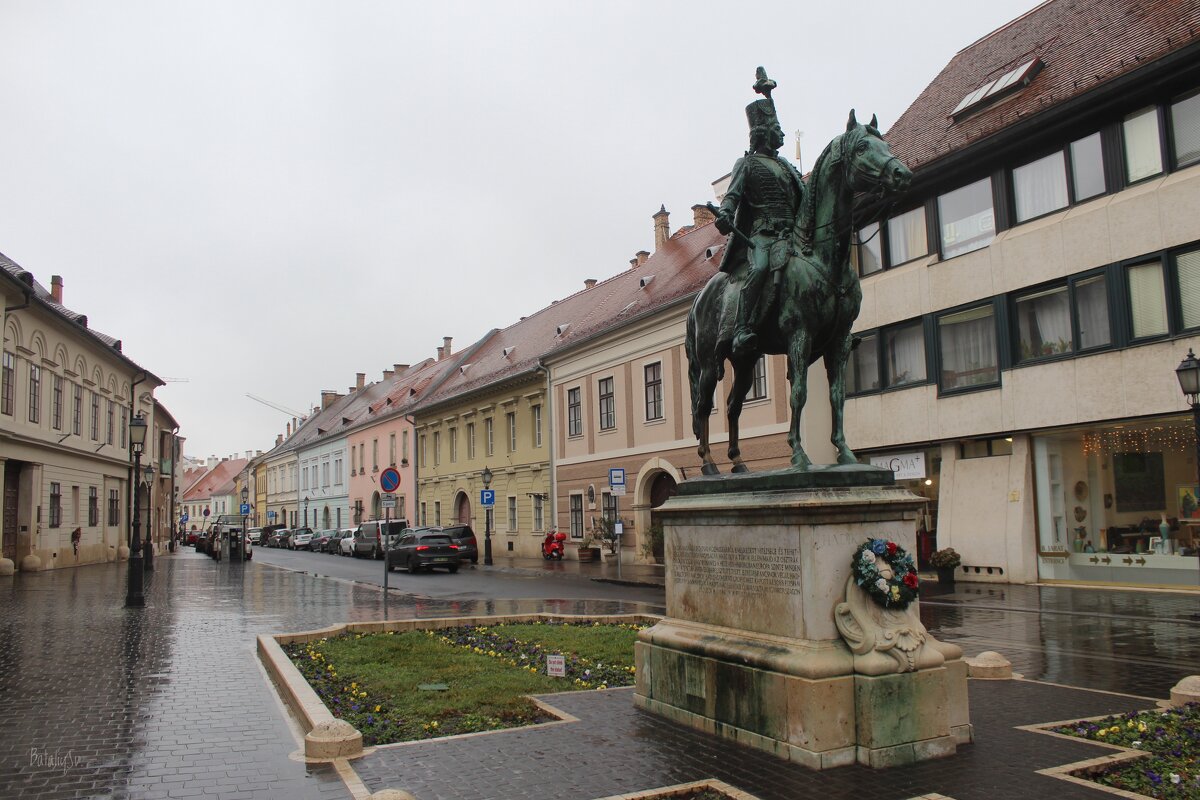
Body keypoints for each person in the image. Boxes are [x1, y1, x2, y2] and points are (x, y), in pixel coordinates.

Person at [714, 67, 806, 359]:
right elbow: (732, 196)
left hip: (793, 234)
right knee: (760, 269)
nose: (780, 131)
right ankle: (742, 327)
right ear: (762, 132)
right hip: (763, 235)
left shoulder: (788, 167)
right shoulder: (747, 164)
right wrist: (725, 214)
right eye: (776, 128)